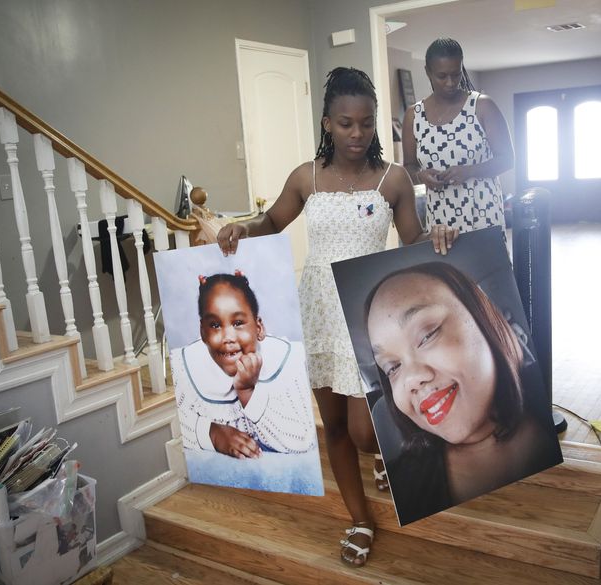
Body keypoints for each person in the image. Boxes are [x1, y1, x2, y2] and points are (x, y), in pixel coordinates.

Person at [217, 67, 458, 566]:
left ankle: (383, 461)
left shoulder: (394, 180)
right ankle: (359, 517)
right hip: (319, 315)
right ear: (328, 123)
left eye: (367, 124)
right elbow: (271, 221)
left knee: (367, 432)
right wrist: (242, 227)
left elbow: (411, 239)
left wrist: (435, 234)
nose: (357, 134)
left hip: (367, 314)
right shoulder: (307, 176)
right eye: (346, 123)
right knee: (334, 426)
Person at [364, 262, 561, 524]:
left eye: (427, 335)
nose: (411, 379)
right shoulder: (407, 483)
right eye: (393, 367)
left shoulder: (552, 413)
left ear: (483, 319)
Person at [172, 271, 315, 458]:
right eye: (215, 325)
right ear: (202, 332)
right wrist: (213, 433)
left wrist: (247, 391)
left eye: (238, 322)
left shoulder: (288, 359)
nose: (228, 338)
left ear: (259, 328)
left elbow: (301, 441)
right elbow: (173, 425)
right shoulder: (184, 365)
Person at [402, 38, 514, 236]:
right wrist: (421, 176)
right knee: (445, 268)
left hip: (483, 215)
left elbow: (507, 159)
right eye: (442, 76)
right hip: (440, 223)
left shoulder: (482, 106)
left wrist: (470, 171)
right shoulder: (414, 115)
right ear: (428, 71)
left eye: (456, 74)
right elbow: (408, 167)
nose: (450, 82)